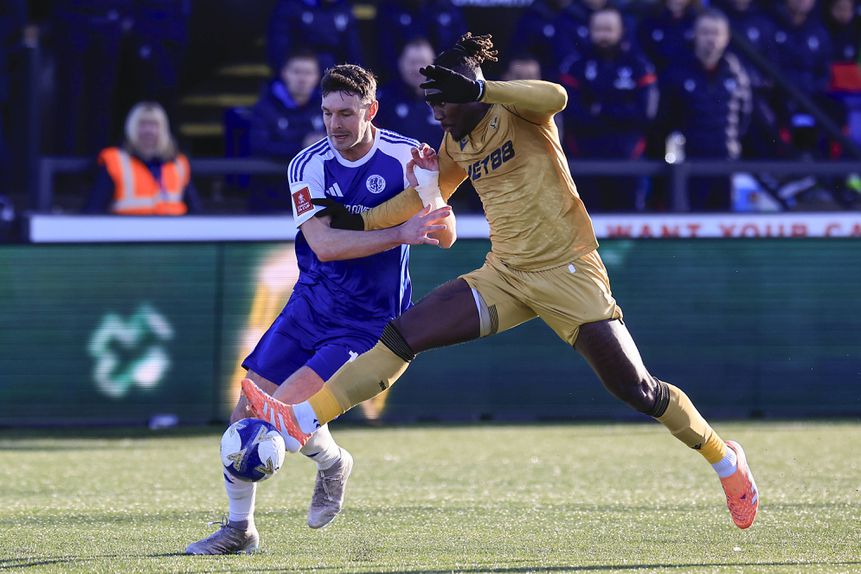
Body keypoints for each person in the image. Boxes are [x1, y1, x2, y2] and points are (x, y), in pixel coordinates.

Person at [240, 33, 760, 531]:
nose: (436, 114)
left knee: (637, 389)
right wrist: (355, 220)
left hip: (568, 273)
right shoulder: (454, 141)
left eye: (444, 102)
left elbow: (557, 95)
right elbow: (423, 202)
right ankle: (302, 418)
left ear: (469, 93)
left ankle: (724, 459)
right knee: (402, 334)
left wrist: (483, 88)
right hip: (505, 275)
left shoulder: (518, 110)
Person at [185, 63, 455, 554]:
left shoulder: (403, 155)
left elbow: (445, 234)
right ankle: (239, 529)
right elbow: (325, 246)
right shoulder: (307, 165)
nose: (335, 124)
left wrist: (432, 191)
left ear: (370, 110)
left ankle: (331, 463)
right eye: (328, 112)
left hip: (369, 320)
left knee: (284, 418)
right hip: (310, 304)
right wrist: (400, 232)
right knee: (244, 414)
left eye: (347, 113)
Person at [560, 7, 658, 210]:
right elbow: (571, 113)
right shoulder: (575, 66)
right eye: (598, 29)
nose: (603, 35)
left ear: (621, 30)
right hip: (584, 162)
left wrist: (600, 110)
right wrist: (620, 111)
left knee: (628, 226)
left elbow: (645, 114)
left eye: (609, 29)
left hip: (628, 161)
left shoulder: (639, 65)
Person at [655, 9, 752, 210]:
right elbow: (664, 119)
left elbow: (745, 115)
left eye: (716, 33)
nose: (711, 38)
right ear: (695, 35)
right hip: (689, 165)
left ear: (726, 37)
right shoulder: (677, 72)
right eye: (706, 32)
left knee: (724, 225)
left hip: (726, 163)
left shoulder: (736, 73)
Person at [83, 101, 201, 214]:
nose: (148, 131)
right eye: (142, 124)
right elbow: (93, 211)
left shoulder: (179, 165)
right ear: (131, 128)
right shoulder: (115, 162)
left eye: (154, 125)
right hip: (128, 232)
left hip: (172, 233)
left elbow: (196, 213)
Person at [247, 49, 325, 212]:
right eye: (296, 72)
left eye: (308, 73)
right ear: (284, 74)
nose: (302, 79)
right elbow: (258, 145)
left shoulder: (327, 106)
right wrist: (302, 146)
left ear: (317, 76)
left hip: (318, 193)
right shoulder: (265, 106)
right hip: (272, 193)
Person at [376, 38, 444, 152]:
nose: (418, 69)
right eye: (412, 62)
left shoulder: (447, 100)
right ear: (400, 63)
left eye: (422, 62)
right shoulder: (382, 101)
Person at [374, 0, 467, 83]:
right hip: (397, 84)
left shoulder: (447, 8)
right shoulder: (389, 8)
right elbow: (384, 54)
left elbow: (460, 51)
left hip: (444, 81)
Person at [266, 0, 362, 75]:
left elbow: (353, 52)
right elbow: (279, 48)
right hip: (298, 69)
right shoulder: (290, 6)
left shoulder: (344, 8)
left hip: (332, 75)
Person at [637, 0, 702, 76]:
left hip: (691, 78)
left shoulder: (698, 20)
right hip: (656, 77)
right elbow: (640, 54)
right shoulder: (649, 18)